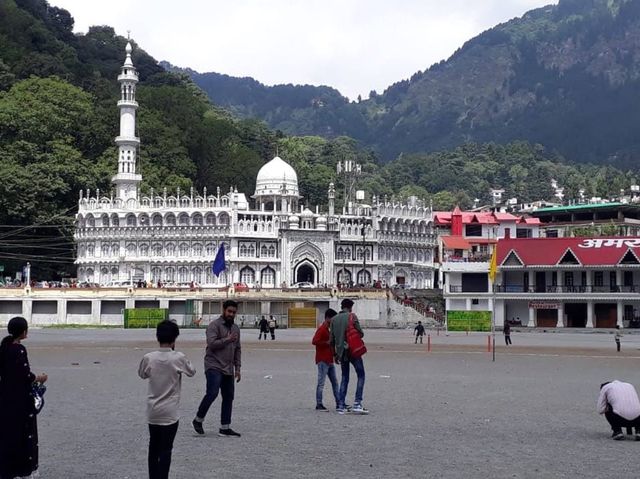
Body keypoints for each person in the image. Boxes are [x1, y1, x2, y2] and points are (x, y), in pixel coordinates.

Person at [138, 320, 196, 479]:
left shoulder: (149, 357)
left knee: (153, 447)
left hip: (153, 411)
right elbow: (192, 371)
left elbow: (142, 374)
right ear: (174, 339)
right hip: (170, 413)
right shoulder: (179, 357)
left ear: (158, 337)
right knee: (166, 449)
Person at [0, 317, 47, 479]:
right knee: (23, 433)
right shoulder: (18, 349)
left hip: (5, 396)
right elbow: (24, 375)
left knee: (7, 432)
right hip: (20, 398)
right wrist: (39, 378)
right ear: (23, 331)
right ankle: (22, 469)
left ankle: (6, 468)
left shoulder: (4, 346)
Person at [193, 300, 242, 437]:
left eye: (233, 312)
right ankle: (198, 419)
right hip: (213, 365)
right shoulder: (214, 326)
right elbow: (212, 344)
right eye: (229, 311)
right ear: (224, 310)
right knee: (212, 393)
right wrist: (228, 339)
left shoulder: (236, 328)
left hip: (228, 367)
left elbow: (238, 349)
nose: (231, 314)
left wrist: (237, 368)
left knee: (228, 396)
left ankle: (225, 427)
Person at [330, 298, 368, 415]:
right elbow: (361, 333)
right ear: (350, 307)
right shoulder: (352, 316)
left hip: (341, 353)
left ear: (341, 306)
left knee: (344, 377)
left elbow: (332, 340)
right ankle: (357, 403)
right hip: (353, 350)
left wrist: (335, 355)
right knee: (361, 375)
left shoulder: (334, 319)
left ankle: (341, 405)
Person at [312, 309, 340, 411]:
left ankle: (339, 402)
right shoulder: (322, 328)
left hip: (329, 359)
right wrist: (326, 343)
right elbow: (314, 341)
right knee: (321, 383)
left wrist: (335, 355)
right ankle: (319, 404)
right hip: (322, 359)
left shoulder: (329, 329)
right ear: (328, 318)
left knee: (335, 382)